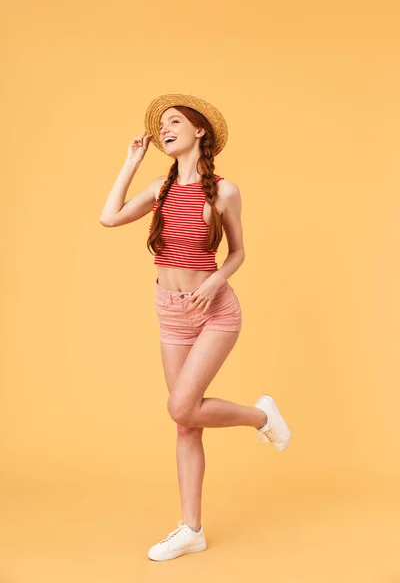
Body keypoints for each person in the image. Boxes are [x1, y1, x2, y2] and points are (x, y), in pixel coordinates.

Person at [100, 93, 291, 561]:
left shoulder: (225, 191)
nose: (164, 127)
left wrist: (216, 281)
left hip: (214, 309)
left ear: (200, 131)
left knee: (181, 406)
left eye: (174, 121)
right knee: (186, 423)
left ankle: (261, 416)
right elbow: (109, 217)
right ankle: (192, 530)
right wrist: (130, 162)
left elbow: (239, 252)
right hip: (169, 308)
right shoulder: (160, 189)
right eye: (161, 123)